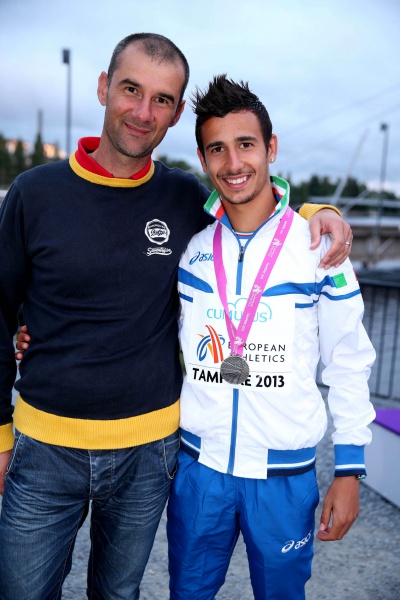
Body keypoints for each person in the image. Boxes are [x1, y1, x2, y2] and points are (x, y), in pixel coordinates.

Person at [0, 33, 351, 599]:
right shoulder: (33, 193)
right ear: (103, 88)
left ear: (176, 111)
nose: (143, 112)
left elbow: (253, 205)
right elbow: (2, 310)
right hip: (45, 449)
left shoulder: (184, 199)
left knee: (119, 595)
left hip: (150, 453)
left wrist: (319, 212)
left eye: (161, 99)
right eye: (130, 89)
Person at [166, 75, 376, 600]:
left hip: (284, 476)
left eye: (246, 144)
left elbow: (348, 360)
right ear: (203, 158)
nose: (233, 162)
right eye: (217, 149)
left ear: (271, 148)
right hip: (200, 470)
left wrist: (349, 470)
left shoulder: (320, 249)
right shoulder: (191, 249)